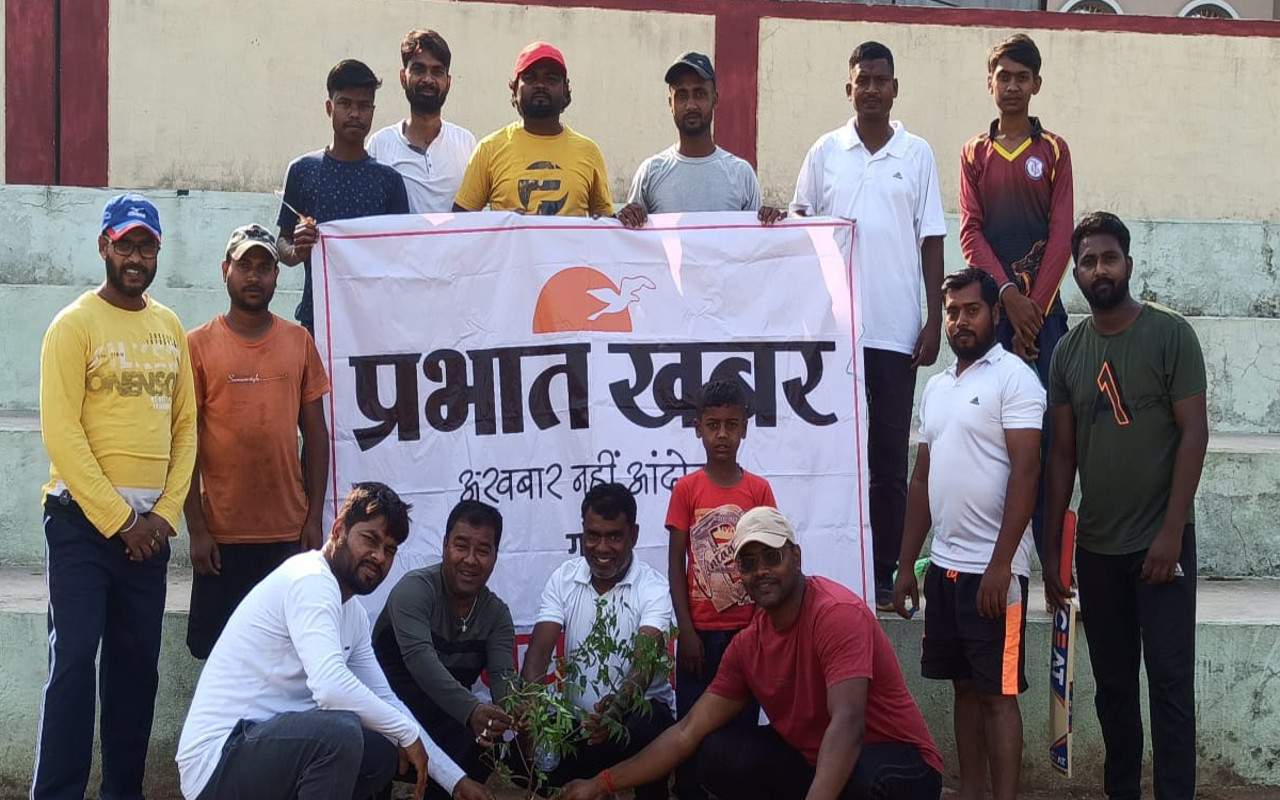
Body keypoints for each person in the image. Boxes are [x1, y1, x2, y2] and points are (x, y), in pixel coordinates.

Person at [558, 506, 943, 800]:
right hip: (818, 762)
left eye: (772, 557)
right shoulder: (748, 645)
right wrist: (600, 783)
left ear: (796, 557)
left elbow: (848, 724)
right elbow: (686, 732)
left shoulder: (836, 613)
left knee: (865, 780)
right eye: (748, 562)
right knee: (717, 753)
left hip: (899, 762)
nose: (761, 571)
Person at [176, 482, 494, 800]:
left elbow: (386, 700)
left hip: (264, 750)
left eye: (390, 549)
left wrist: (455, 781)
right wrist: (404, 731)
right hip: (218, 762)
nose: (378, 556)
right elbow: (330, 687)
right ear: (339, 529)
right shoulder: (310, 579)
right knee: (341, 734)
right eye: (370, 539)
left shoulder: (352, 612)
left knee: (380, 753)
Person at [32, 193, 197, 800]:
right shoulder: (73, 325)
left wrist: (165, 516)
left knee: (135, 673)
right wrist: (121, 519)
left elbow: (186, 427)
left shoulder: (169, 326)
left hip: (148, 536)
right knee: (74, 662)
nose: (136, 258)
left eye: (146, 247)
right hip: (80, 526)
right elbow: (62, 433)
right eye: (126, 245)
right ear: (104, 245)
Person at [1042, 212, 1208, 800]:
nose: (1100, 269)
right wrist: (1052, 552)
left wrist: (1170, 533)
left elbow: (1194, 434)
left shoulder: (1171, 334)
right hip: (1097, 550)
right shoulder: (1067, 353)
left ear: (1129, 264)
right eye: (1088, 261)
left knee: (1169, 684)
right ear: (1076, 274)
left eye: (1109, 258)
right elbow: (1062, 457)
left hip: (1162, 543)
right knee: (1113, 690)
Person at [790, 41, 946, 610]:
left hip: (895, 333)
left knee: (887, 459)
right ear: (849, 88)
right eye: (863, 80)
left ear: (894, 89)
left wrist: (933, 318)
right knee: (833, 453)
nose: (873, 89)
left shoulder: (917, 153)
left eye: (882, 80)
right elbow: (799, 224)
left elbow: (932, 238)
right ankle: (832, 566)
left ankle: (885, 572)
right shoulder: (826, 151)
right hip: (834, 334)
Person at [892, 268, 1044, 800]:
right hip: (944, 567)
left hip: (996, 572)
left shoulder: (1015, 379)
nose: (960, 321)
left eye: (971, 310)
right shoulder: (936, 388)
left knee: (998, 695)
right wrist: (906, 566)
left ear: (995, 314)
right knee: (963, 687)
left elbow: (1027, 473)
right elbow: (921, 479)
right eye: (952, 311)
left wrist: (1002, 565)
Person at [183, 224, 331, 659]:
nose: (254, 276)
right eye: (244, 265)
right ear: (225, 270)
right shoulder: (196, 345)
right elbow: (184, 443)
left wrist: (314, 517)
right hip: (222, 536)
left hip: (287, 532)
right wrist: (197, 529)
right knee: (219, 656)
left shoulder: (299, 341)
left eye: (264, 267)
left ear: (276, 276)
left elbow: (316, 435)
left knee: (285, 653)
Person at [959, 33, 1073, 563]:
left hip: (1044, 319)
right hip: (994, 318)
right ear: (990, 83)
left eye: (1021, 78)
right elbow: (970, 232)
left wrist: (1034, 311)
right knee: (988, 433)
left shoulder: (1054, 150)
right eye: (1003, 76)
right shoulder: (973, 153)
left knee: (1050, 436)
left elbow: (1062, 234)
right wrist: (1007, 297)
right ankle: (991, 554)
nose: (1011, 86)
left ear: (1036, 85)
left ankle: (1053, 561)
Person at [522, 483, 675, 798]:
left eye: (614, 537)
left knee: (647, 723)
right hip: (581, 723)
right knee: (536, 757)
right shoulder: (564, 578)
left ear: (633, 535)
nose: (602, 548)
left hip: (633, 719)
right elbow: (537, 655)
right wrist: (531, 712)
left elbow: (644, 664)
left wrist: (616, 709)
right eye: (593, 536)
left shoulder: (653, 587)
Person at [664, 379, 775, 799]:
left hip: (747, 633)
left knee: (741, 723)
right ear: (698, 428)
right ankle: (689, 789)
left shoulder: (758, 490)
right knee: (692, 721)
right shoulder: (687, 490)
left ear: (745, 427)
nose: (722, 435)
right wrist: (687, 631)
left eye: (731, 424)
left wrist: (757, 628)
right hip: (700, 636)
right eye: (713, 425)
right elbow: (676, 564)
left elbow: (769, 564)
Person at [373, 500, 517, 798]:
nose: (470, 560)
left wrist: (518, 711)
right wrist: (472, 711)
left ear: (495, 557)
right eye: (461, 546)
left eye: (483, 550)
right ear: (444, 546)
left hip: (447, 718)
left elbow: (503, 681)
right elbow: (422, 663)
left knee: (487, 744)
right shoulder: (414, 589)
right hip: (390, 714)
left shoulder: (497, 615)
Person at [277, 59, 410, 334]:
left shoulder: (389, 181)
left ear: (373, 111)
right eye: (345, 104)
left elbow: (402, 255)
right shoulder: (302, 171)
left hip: (375, 324)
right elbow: (283, 244)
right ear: (329, 107)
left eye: (364, 105)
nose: (354, 114)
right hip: (318, 319)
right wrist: (297, 250)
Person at [617, 52, 783, 228]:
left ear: (715, 99)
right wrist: (625, 219)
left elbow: (754, 239)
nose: (691, 105)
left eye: (699, 94)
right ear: (670, 104)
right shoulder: (650, 173)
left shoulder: (742, 175)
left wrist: (772, 225)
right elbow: (631, 239)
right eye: (682, 96)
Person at [453, 42, 613, 217]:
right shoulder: (488, 149)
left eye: (551, 79)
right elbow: (461, 223)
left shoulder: (589, 152)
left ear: (565, 90)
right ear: (514, 88)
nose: (540, 85)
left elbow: (607, 224)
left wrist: (628, 219)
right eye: (530, 78)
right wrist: (501, 222)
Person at [366, 29, 477, 214]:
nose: (428, 79)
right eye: (419, 70)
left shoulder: (466, 143)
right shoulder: (380, 145)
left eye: (437, 72)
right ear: (403, 78)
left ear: (448, 82)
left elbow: (478, 215)